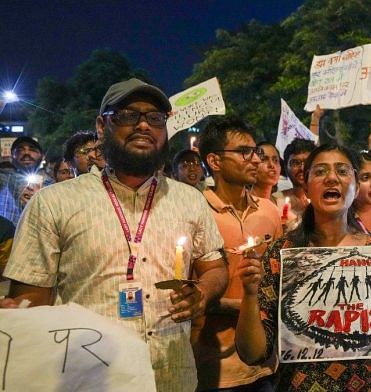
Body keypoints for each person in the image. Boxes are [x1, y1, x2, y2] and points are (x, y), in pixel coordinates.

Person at [1, 78, 228, 391]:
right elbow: (31, 301)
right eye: (127, 115)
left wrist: (202, 293)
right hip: (89, 379)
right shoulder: (53, 203)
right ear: (100, 125)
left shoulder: (189, 199)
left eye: (155, 118)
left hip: (172, 377)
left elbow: (214, 267)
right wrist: (16, 317)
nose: (143, 125)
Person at [234, 144, 371, 391]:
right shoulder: (282, 254)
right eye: (321, 171)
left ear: (355, 185)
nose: (332, 178)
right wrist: (249, 295)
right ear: (306, 184)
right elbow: (254, 354)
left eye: (342, 171)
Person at [192, 119, 283, 391]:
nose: (255, 160)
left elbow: (278, 278)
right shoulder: (196, 213)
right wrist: (246, 307)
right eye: (244, 152)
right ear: (215, 161)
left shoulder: (269, 211)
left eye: (255, 152)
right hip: (214, 367)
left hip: (264, 363)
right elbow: (189, 292)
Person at [0, 137, 53, 224]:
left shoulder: (53, 186)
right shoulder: (4, 179)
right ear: (11, 157)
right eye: (19, 150)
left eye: (32, 149)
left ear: (42, 156)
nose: (26, 152)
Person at [273, 138, 315, 222]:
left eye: (307, 163)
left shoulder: (323, 199)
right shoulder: (276, 199)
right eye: (296, 163)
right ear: (285, 167)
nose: (302, 168)